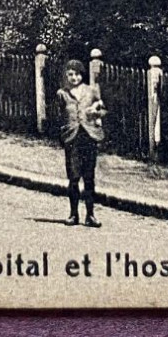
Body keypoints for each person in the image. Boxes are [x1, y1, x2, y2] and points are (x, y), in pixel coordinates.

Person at [57, 58, 106, 227]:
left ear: (82, 75)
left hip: (89, 136)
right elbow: (58, 116)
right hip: (72, 138)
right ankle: (73, 215)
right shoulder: (62, 94)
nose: (74, 78)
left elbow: (102, 109)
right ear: (66, 76)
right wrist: (62, 132)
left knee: (89, 177)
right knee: (73, 178)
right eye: (70, 74)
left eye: (77, 74)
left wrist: (96, 112)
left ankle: (90, 215)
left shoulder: (91, 91)